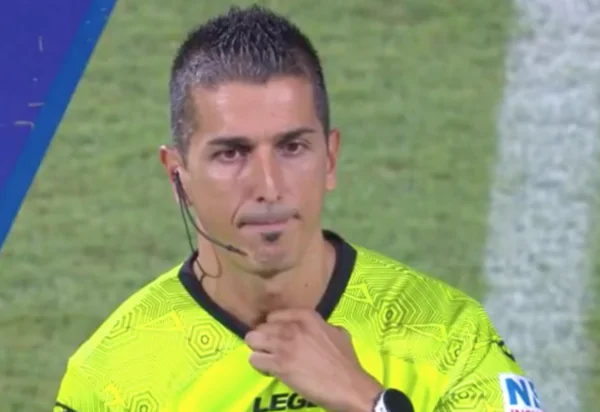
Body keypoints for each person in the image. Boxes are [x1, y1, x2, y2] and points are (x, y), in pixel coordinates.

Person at [54, 5, 543, 412]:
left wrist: (367, 401)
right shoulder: (112, 378)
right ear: (178, 176)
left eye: (292, 148)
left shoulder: (448, 334)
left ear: (329, 158)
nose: (268, 186)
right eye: (232, 153)